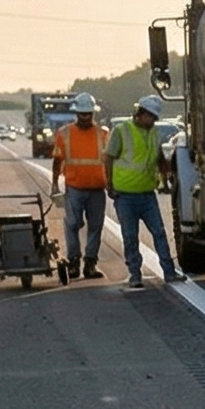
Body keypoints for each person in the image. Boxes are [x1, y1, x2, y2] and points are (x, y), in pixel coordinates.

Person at [107, 95, 178, 288]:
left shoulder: (154, 132)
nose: (153, 121)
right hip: (125, 196)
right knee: (130, 237)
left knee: (159, 233)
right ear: (140, 113)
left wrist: (165, 179)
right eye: (151, 117)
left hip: (147, 194)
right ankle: (135, 274)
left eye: (155, 118)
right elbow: (109, 157)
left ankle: (170, 272)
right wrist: (109, 185)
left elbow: (159, 158)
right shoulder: (121, 131)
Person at [47, 92, 107, 281]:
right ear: (76, 114)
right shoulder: (64, 133)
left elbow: (111, 161)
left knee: (95, 227)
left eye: (88, 114)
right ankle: (73, 262)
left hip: (98, 189)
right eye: (82, 114)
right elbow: (57, 161)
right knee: (72, 225)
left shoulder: (103, 134)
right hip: (74, 188)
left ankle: (90, 264)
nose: (86, 117)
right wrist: (55, 184)